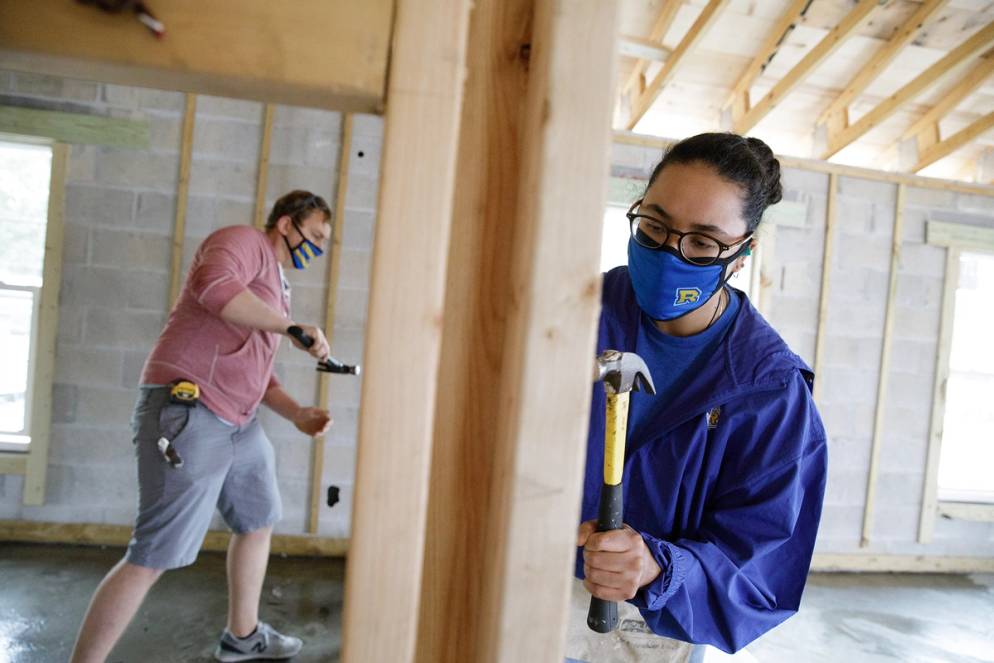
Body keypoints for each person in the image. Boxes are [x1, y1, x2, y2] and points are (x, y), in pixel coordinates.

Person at [567, 134, 828, 663]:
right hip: (521, 585)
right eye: (655, 227)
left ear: (742, 253)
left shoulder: (770, 391)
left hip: (653, 624)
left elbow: (760, 571)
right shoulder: (571, 317)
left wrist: (657, 568)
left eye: (703, 243)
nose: (670, 254)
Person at [71, 190, 337, 663]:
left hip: (239, 421)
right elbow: (214, 288)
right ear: (285, 225)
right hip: (189, 411)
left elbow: (259, 370)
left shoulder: (276, 285)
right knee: (153, 554)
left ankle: (243, 635)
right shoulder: (239, 241)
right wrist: (292, 328)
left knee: (258, 519)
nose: (316, 248)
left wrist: (297, 413)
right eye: (313, 236)